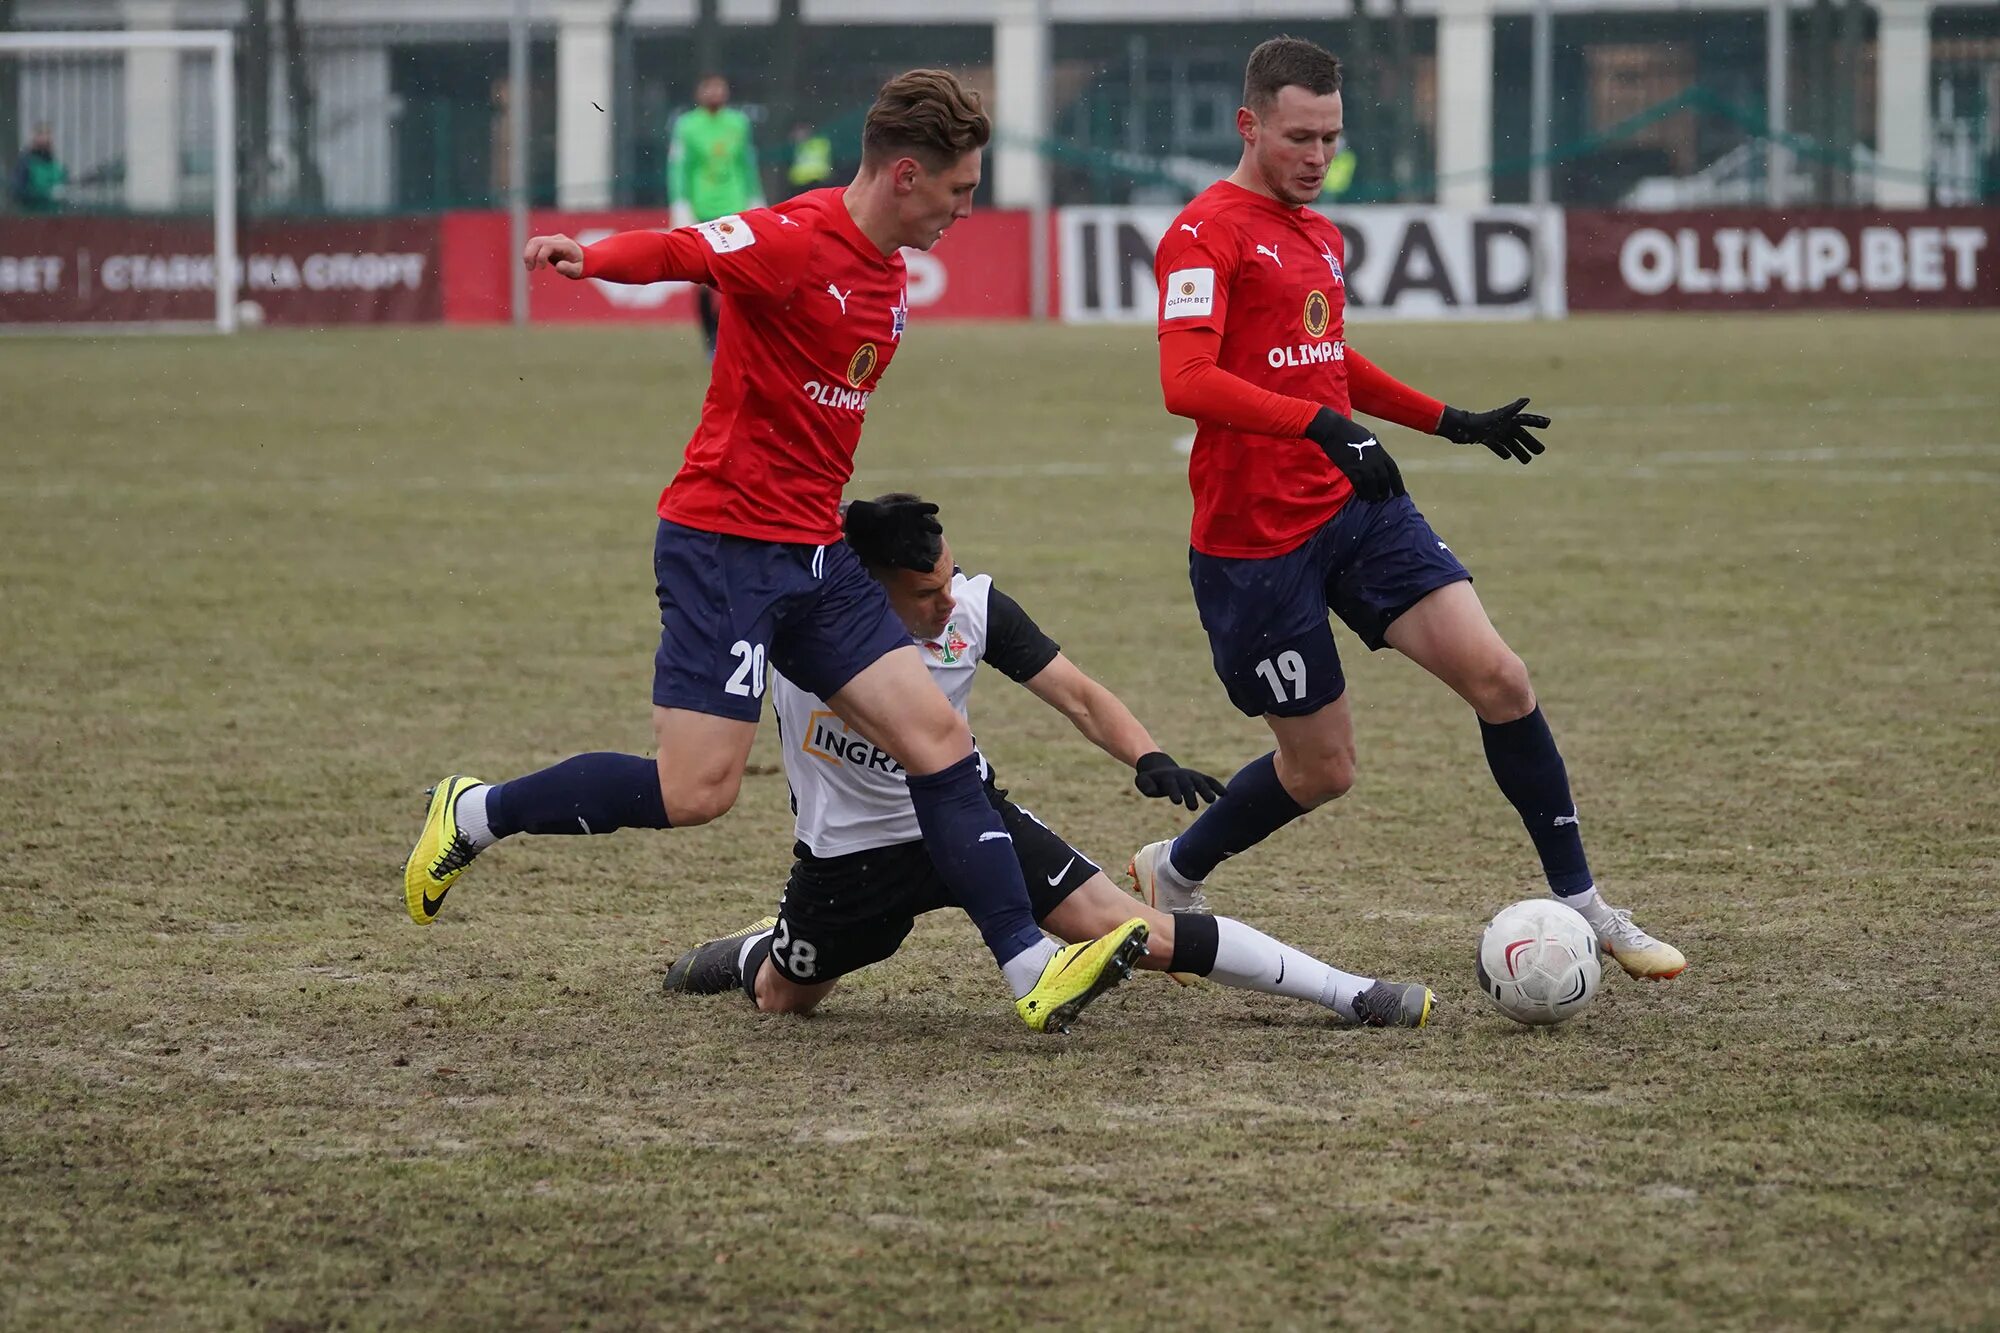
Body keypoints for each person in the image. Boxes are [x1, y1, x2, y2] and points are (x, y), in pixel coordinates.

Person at [404, 71, 1148, 1036]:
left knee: (939, 742)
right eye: (962, 191)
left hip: (815, 551)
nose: (970, 209)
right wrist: (589, 256)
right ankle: (473, 812)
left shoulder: (888, 272)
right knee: (695, 791)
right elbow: (682, 249)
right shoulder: (796, 238)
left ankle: (1031, 967)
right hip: (722, 546)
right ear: (909, 176)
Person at [1130, 36, 1685, 982]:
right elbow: (1187, 381)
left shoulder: (1320, 233)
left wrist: (1451, 421)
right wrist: (1320, 426)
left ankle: (1584, 903)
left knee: (1502, 678)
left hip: (1356, 512)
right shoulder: (1203, 232)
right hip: (1253, 545)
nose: (1318, 156)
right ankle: (1175, 868)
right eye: (1299, 137)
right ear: (1250, 124)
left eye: (1332, 138)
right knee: (1322, 770)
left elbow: (1325, 360)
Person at [664, 497, 1436, 1030]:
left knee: (1139, 928)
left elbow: (1075, 694)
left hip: (971, 819)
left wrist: (1149, 754)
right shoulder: (803, 620)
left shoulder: (973, 609)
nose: (948, 599)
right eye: (926, 591)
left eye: (951, 577)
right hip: (849, 858)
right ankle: (761, 946)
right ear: (870, 586)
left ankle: (1354, 994)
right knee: (783, 1000)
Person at [667, 74, 761, 358]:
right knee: (704, 281)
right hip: (701, 210)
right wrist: (680, 204)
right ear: (699, 92)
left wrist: (755, 199)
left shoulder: (738, 124)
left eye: (719, 87)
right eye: (708, 87)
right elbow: (678, 167)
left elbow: (747, 163)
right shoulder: (687, 126)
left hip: (735, 209)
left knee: (740, 278)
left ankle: (736, 337)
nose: (714, 93)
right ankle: (711, 339)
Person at [12, 124, 66, 212]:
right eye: (41, 134)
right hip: (32, 216)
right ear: (35, 137)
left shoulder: (56, 165)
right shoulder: (26, 162)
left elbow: (63, 185)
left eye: (48, 134)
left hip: (54, 217)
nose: (45, 138)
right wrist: (44, 194)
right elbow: (18, 191)